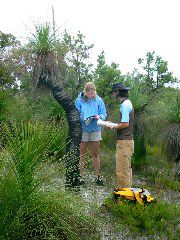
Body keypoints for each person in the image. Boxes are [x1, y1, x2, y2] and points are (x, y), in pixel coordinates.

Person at [75, 82, 107, 186]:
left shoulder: (99, 100)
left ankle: (98, 177)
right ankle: (80, 177)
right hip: (83, 129)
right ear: (85, 91)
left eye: (92, 93)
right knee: (82, 153)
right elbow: (76, 114)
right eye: (88, 93)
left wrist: (99, 117)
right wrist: (83, 119)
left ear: (94, 91)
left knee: (95, 154)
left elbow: (104, 114)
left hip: (95, 129)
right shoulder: (79, 100)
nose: (90, 95)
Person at [109, 82, 134, 189]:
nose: (113, 95)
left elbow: (125, 124)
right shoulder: (128, 103)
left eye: (114, 92)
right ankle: (126, 194)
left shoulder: (124, 105)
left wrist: (113, 126)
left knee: (122, 170)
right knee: (126, 169)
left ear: (118, 92)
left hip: (124, 142)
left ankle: (123, 197)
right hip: (127, 141)